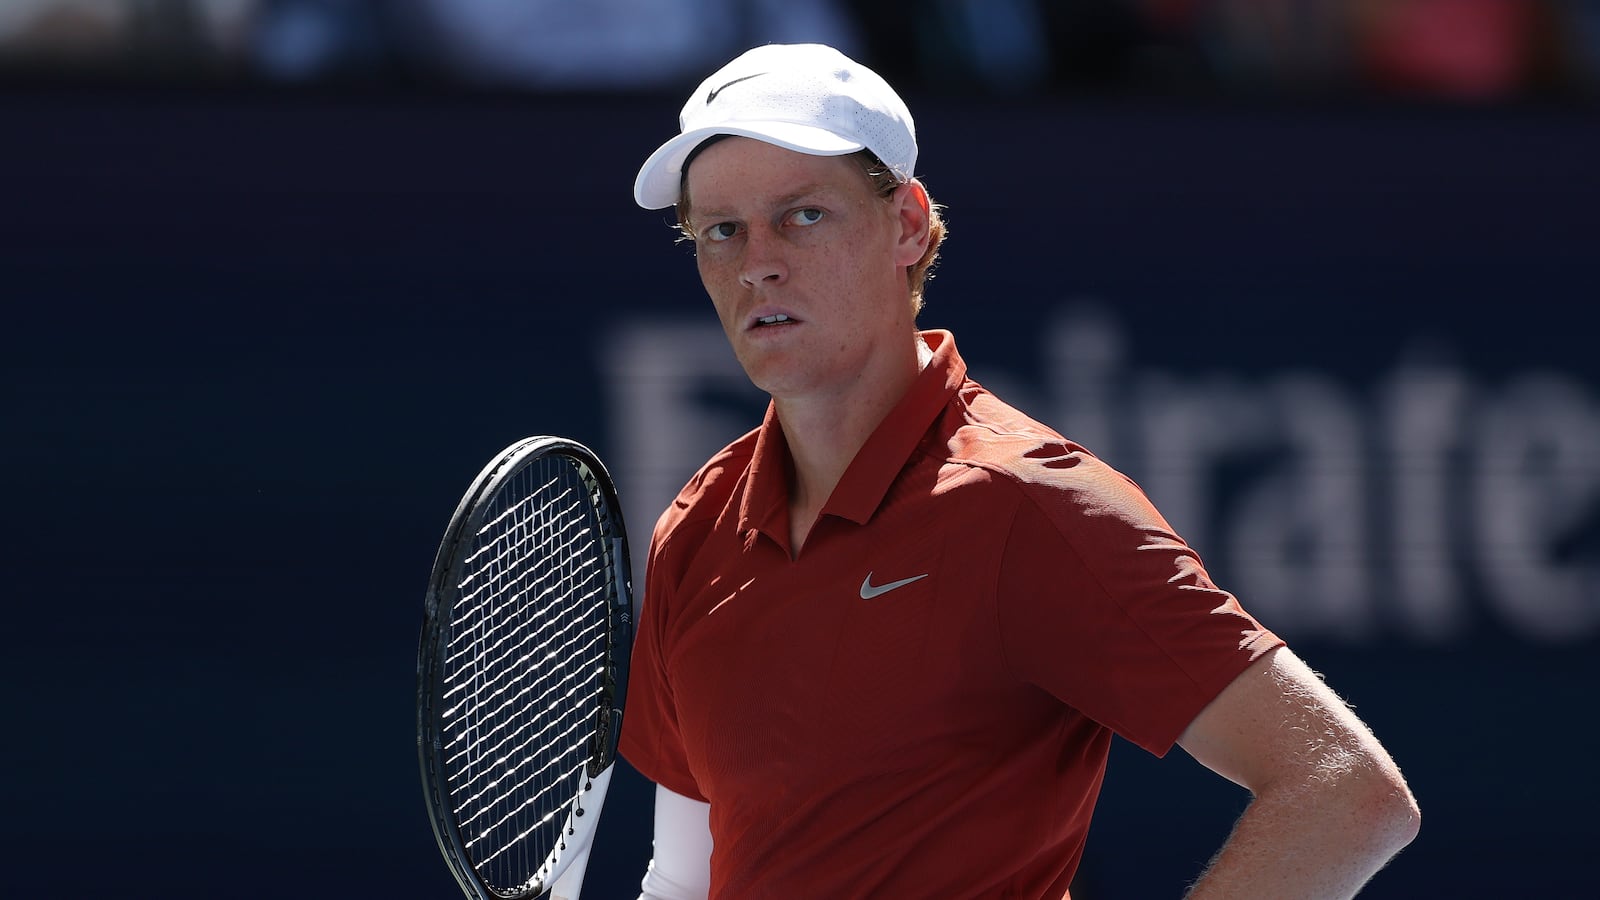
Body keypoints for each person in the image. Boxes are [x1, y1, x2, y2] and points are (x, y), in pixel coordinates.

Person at [620, 42, 1419, 899]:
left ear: (908, 224)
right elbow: (683, 877)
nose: (758, 262)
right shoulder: (696, 528)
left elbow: (1345, 792)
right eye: (720, 231)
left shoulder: (1028, 504)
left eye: (804, 215)